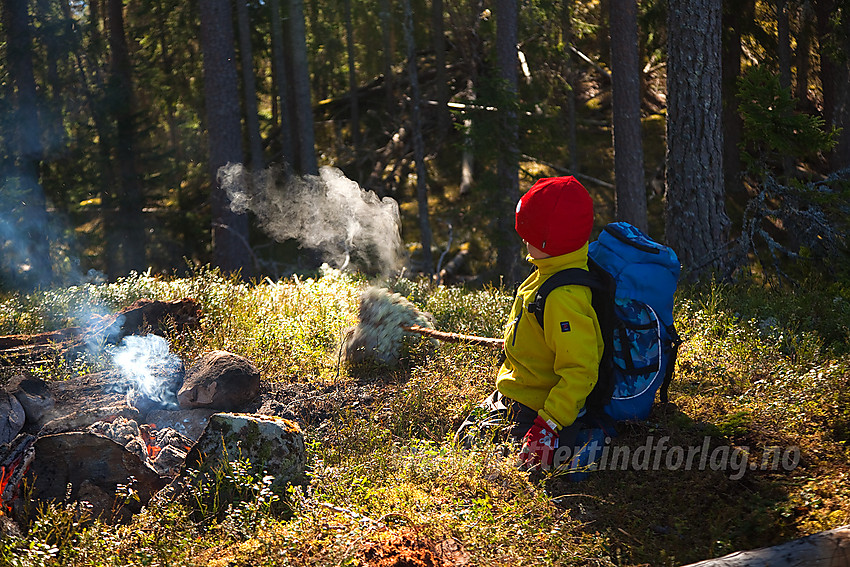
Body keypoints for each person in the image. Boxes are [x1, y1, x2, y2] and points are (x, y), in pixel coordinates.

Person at [456, 175, 604, 471]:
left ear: (552, 239)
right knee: (465, 438)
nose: (524, 240)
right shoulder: (550, 268)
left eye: (531, 235)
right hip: (517, 393)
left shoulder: (564, 298)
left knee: (496, 460)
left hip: (540, 407)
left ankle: (583, 443)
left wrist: (547, 425)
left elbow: (581, 370)